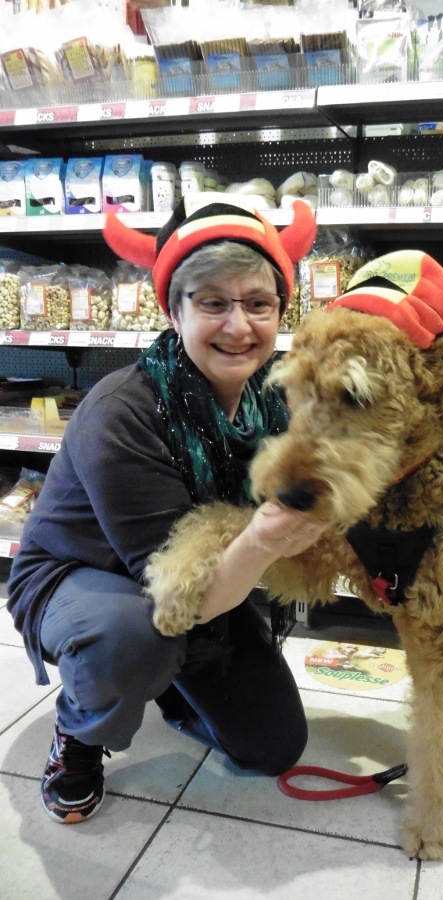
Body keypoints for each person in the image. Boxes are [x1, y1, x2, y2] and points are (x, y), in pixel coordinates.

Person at [7, 195, 326, 824]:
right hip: (85, 579)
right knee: (132, 635)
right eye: (213, 303)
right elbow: (182, 591)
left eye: (258, 304)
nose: (239, 326)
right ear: (173, 310)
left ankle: (170, 681)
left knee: (272, 747)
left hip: (202, 574)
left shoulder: (274, 400)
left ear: (279, 311)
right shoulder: (123, 411)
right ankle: (80, 732)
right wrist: (266, 540)